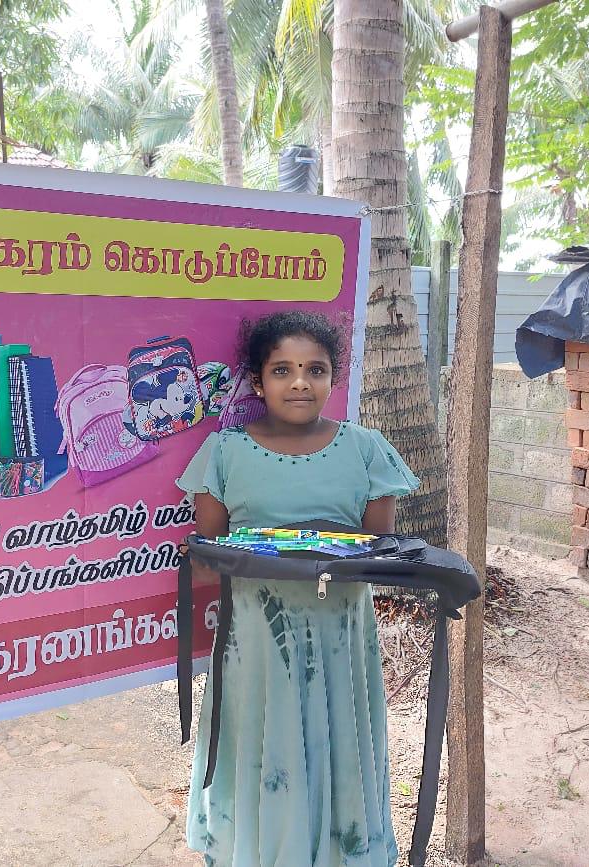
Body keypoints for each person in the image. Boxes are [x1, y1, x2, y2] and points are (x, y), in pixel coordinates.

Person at [177, 311, 419, 866]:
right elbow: (208, 562)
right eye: (282, 370)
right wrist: (251, 556)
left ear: (334, 378)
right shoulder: (224, 452)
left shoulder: (367, 450)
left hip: (340, 638)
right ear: (258, 381)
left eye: (316, 369)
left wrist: (321, 554)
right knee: (263, 744)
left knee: (337, 742)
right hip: (256, 642)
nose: (300, 383)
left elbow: (377, 554)